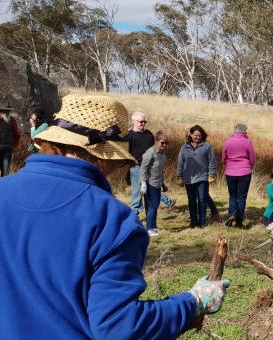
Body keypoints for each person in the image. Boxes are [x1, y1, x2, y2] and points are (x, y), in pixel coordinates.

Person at [0, 94, 230, 338]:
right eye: (116, 162)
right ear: (103, 157)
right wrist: (192, 302)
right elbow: (119, 327)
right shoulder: (111, 220)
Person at [178, 125, 218, 228]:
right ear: (190, 135)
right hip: (189, 179)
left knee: (202, 199)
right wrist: (179, 176)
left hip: (202, 178)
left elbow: (212, 161)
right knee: (191, 201)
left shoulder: (207, 146)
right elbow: (180, 163)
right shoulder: (184, 147)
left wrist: (211, 174)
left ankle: (202, 222)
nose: (198, 137)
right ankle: (193, 222)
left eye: (200, 136)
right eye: (195, 135)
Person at [221, 123, 256, 228]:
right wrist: (249, 166)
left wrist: (228, 164)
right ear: (244, 131)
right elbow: (253, 158)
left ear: (234, 130)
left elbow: (223, 158)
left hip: (230, 172)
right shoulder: (248, 142)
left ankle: (232, 214)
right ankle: (239, 222)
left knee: (232, 196)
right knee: (242, 197)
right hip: (245, 172)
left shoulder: (227, 142)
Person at [124, 111, 154, 214]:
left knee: (149, 193)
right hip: (136, 168)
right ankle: (134, 219)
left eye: (144, 121)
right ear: (134, 121)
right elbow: (126, 152)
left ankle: (150, 219)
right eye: (141, 121)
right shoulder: (129, 135)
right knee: (137, 194)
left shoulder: (149, 134)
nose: (143, 124)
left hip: (149, 168)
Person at [140, 131, 169, 237]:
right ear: (156, 141)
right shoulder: (150, 152)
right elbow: (144, 167)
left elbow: (160, 171)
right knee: (153, 205)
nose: (164, 145)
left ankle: (151, 227)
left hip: (157, 183)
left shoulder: (162, 155)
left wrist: (163, 183)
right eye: (162, 143)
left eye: (166, 143)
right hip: (149, 183)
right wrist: (143, 183)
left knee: (151, 206)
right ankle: (150, 228)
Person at [0, 104, 20, 176]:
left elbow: (16, 134)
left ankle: (3, 186)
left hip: (7, 149)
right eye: (3, 111)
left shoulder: (12, 121)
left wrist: (14, 145)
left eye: (6, 111)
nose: (4, 113)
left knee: (5, 171)